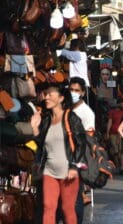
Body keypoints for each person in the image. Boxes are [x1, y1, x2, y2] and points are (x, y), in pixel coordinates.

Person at [30, 83, 86, 224]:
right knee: (48, 207)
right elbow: (42, 145)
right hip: (49, 171)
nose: (46, 97)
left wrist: (74, 167)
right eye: (46, 95)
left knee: (67, 209)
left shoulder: (71, 118)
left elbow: (81, 144)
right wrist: (35, 129)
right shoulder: (47, 119)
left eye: (50, 95)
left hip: (68, 171)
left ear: (61, 98)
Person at [69, 77, 95, 222]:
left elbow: (89, 137)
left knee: (75, 197)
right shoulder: (67, 108)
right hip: (64, 158)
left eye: (77, 90)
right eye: (71, 90)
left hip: (77, 158)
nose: (73, 93)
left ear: (83, 93)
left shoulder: (87, 113)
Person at [106, 100, 123, 175]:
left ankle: (121, 167)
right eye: (122, 103)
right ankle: (118, 166)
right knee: (115, 152)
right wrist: (107, 132)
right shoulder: (112, 112)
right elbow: (110, 122)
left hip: (121, 133)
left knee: (121, 151)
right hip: (113, 133)